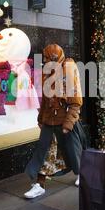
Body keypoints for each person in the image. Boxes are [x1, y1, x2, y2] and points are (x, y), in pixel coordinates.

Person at [24, 44, 83, 198]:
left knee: (72, 152)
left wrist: (68, 123)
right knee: (43, 152)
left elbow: (76, 101)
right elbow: (45, 100)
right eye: (45, 58)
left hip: (65, 121)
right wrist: (41, 118)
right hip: (50, 121)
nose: (45, 61)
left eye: (48, 58)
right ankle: (39, 184)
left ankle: (81, 174)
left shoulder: (69, 69)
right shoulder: (47, 72)